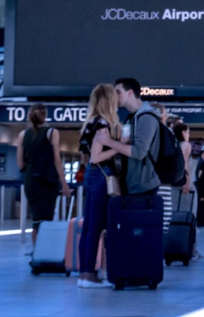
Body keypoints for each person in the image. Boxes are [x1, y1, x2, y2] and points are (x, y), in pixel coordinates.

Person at [77, 84, 122, 287]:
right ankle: (88, 274)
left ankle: (84, 272)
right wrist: (120, 147)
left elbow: (88, 157)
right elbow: (96, 157)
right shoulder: (103, 123)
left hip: (91, 176)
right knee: (95, 227)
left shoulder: (90, 122)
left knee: (88, 226)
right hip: (102, 177)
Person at [16, 103, 72, 244]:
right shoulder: (51, 132)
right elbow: (57, 161)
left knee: (36, 219)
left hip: (31, 182)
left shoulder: (22, 135)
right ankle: (43, 254)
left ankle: (37, 254)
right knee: (46, 219)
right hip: (47, 182)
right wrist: (64, 185)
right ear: (45, 115)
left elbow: (20, 164)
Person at [94, 78, 161, 197]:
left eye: (118, 92)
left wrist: (109, 142)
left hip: (143, 187)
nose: (115, 96)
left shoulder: (146, 117)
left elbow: (139, 152)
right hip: (134, 185)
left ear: (130, 93)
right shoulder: (132, 117)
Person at [172, 122, 199, 258]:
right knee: (190, 216)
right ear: (183, 132)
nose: (189, 135)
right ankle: (191, 248)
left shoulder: (173, 145)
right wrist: (187, 182)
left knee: (175, 215)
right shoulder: (186, 145)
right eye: (188, 132)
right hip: (184, 184)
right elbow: (184, 164)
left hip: (173, 185)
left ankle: (175, 246)